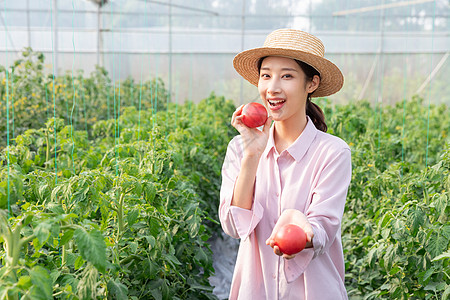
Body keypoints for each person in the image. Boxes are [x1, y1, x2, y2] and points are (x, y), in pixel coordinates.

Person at [219, 28, 352, 299]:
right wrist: (252, 156)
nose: (273, 87)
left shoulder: (332, 152)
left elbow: (323, 227)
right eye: (266, 75)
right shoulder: (239, 148)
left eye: (287, 76)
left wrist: (302, 235)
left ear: (311, 83)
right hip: (255, 290)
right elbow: (234, 226)